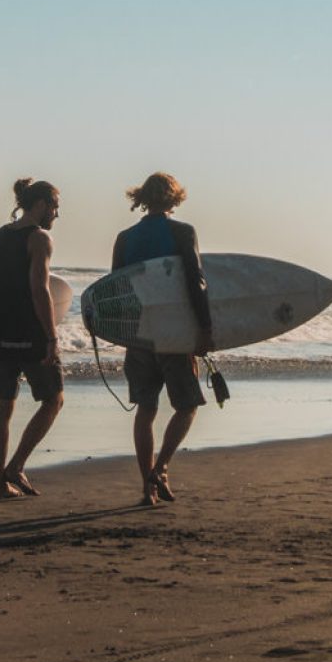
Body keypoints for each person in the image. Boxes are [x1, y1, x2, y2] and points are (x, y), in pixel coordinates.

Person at [111, 172, 213, 507]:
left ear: (143, 197)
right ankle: (161, 467)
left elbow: (115, 292)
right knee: (187, 405)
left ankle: (147, 488)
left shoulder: (124, 238)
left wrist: (121, 333)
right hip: (174, 334)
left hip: (139, 335)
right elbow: (195, 282)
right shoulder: (183, 232)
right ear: (173, 199)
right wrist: (205, 329)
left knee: (146, 409)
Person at [0, 178, 64, 500]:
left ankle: (0, 483)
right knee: (54, 399)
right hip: (30, 333)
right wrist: (52, 337)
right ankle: (16, 466)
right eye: (55, 206)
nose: (56, 214)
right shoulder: (40, 238)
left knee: (3, 407)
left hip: (0, 334)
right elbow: (39, 289)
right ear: (40, 204)